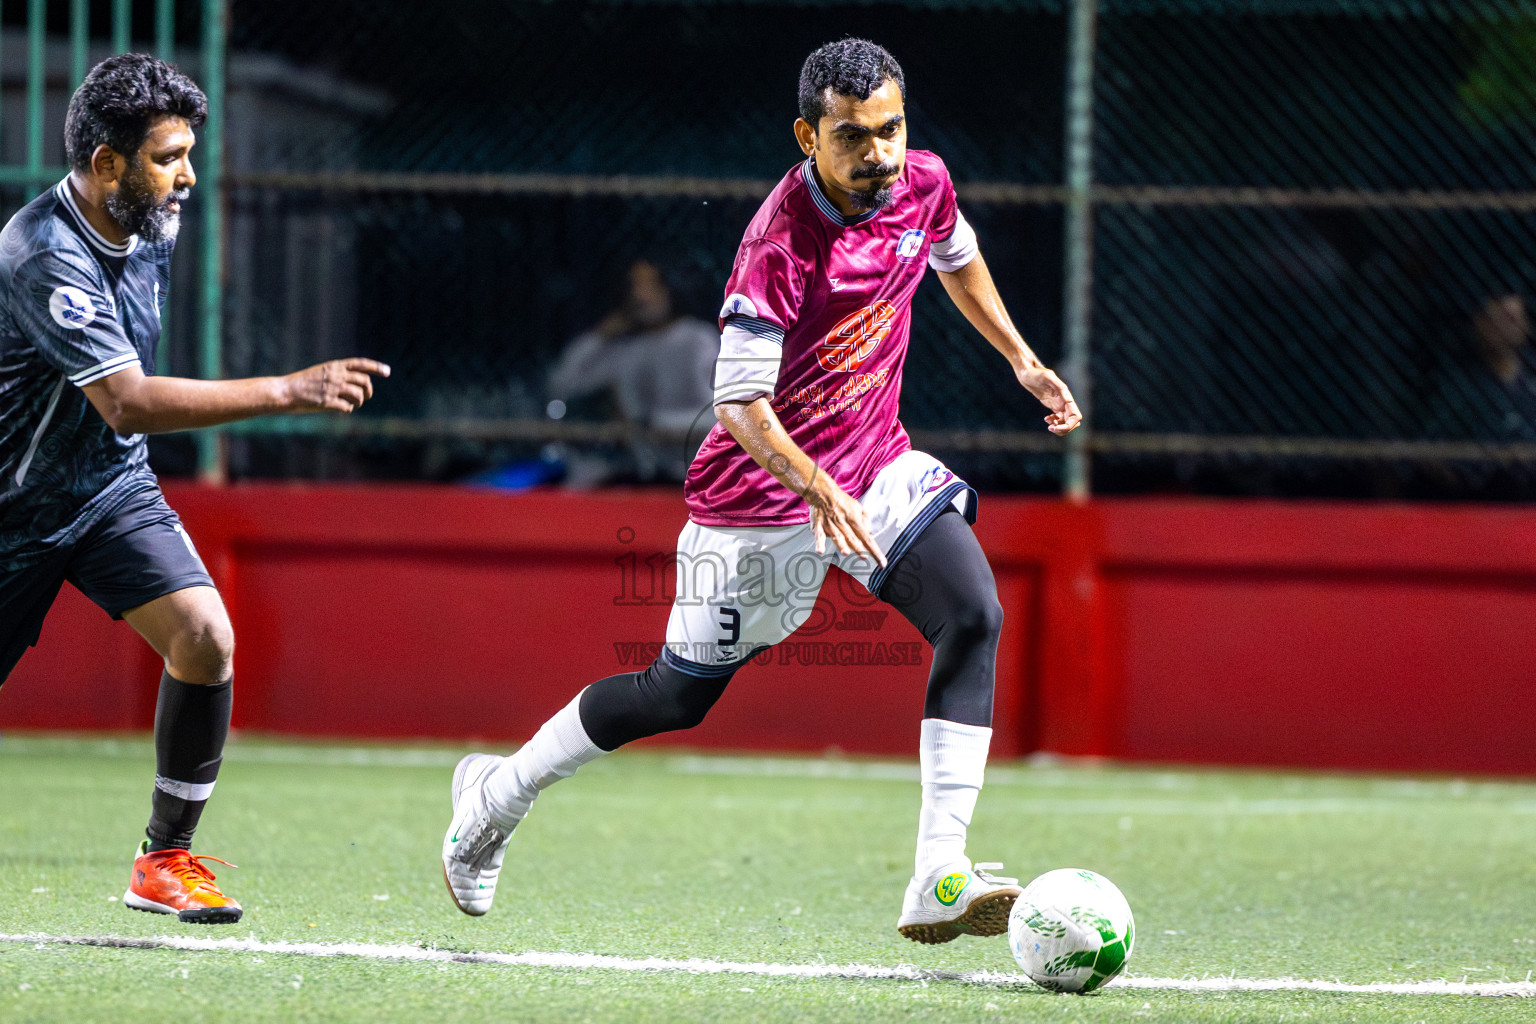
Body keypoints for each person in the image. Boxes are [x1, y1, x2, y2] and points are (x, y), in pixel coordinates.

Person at [442, 39, 1080, 945]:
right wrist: (815, 486)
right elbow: (738, 404)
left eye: (891, 129)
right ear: (808, 137)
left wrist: (1020, 358)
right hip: (759, 499)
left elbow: (956, 257)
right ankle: (495, 797)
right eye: (852, 137)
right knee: (674, 696)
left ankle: (938, 874)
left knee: (973, 613)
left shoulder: (924, 182)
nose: (879, 154)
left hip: (874, 464)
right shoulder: (778, 242)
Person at [0, 55, 388, 924]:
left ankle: (164, 859)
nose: (188, 177)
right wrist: (288, 390)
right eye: (169, 157)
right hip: (13, 508)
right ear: (107, 164)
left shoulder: (152, 223)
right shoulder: (42, 253)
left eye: (188, 154)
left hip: (107, 487)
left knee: (205, 637)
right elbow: (128, 399)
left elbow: (118, 419)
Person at [547, 259, 718, 483]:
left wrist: (653, 423)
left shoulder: (698, 340)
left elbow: (719, 415)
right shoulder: (628, 351)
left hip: (699, 472)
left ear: (670, 288)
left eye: (650, 285)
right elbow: (561, 382)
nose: (640, 295)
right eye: (634, 287)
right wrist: (600, 335)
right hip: (646, 472)